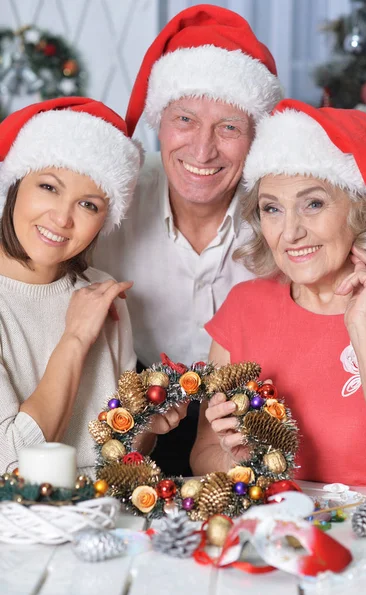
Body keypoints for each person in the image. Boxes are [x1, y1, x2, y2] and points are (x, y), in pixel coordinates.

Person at [94, 4, 283, 474]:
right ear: (159, 121)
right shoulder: (111, 200)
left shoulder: (285, 212)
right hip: (129, 407)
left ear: (256, 137)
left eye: (229, 127)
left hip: (252, 414)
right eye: (184, 119)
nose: (202, 150)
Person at [191, 99, 366, 486]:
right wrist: (238, 457)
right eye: (272, 209)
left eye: (313, 204)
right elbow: (203, 455)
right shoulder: (245, 307)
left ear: (362, 208)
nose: (289, 233)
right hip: (282, 534)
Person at [0, 97, 148, 476]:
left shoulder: (101, 292)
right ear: (15, 184)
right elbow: (12, 465)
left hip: (105, 519)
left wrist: (147, 424)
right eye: (49, 187)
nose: (63, 218)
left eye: (88, 205)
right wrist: (76, 337)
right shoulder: (87, 311)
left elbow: (120, 458)